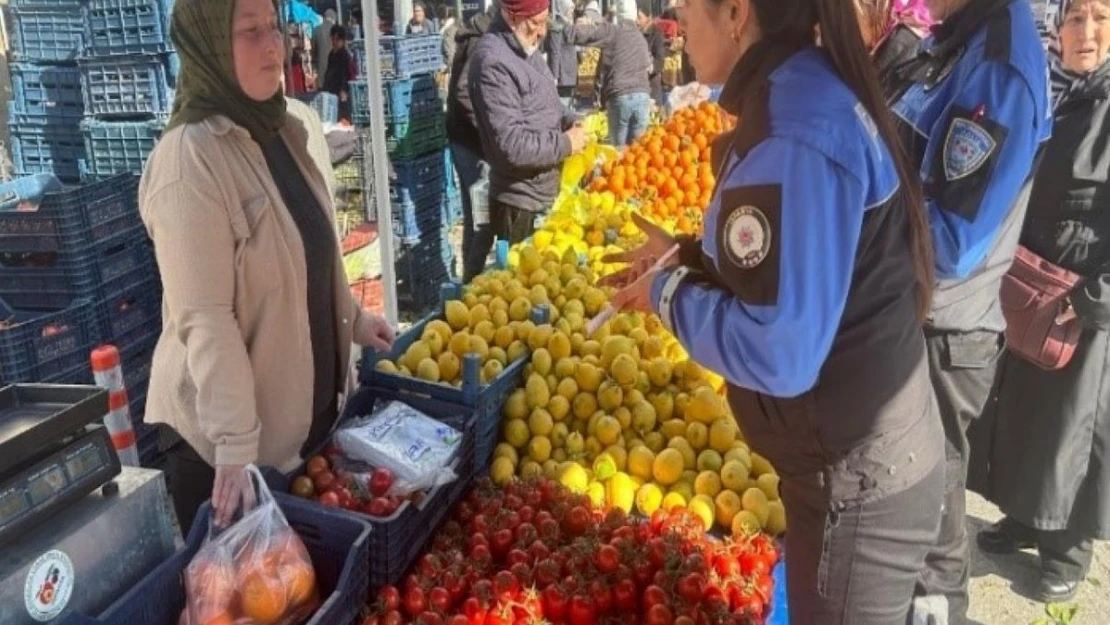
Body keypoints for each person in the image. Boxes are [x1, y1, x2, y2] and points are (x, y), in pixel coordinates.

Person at [603, 0, 946, 619]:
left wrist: (666, 294)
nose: (675, 23)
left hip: (859, 480)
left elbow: (780, 352)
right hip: (865, 458)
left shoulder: (795, 128)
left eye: (684, 7)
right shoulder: (802, 89)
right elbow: (798, 259)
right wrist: (685, 258)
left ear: (736, 13)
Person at [140, 0, 395, 535]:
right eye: (249, 31)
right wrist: (234, 444)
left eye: (274, 27)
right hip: (227, 457)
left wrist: (350, 316)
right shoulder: (190, 158)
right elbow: (205, 318)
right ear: (208, 45)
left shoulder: (285, 128)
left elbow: (307, 253)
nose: (273, 45)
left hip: (300, 432)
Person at [883, 0, 1053, 622]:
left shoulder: (998, 66)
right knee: (906, 514)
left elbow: (951, 239)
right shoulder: (958, 37)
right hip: (915, 319)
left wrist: (859, 217)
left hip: (944, 337)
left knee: (929, 525)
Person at [976, 0, 1110, 604]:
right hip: (1031, 286)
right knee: (1025, 409)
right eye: (1076, 19)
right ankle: (1026, 519)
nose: (1086, 32)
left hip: (1082, 304)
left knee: (1070, 427)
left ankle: (1069, 548)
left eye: (1102, 18)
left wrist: (1092, 299)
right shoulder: (1052, 91)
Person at [468, 0, 588, 247]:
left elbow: (547, 103)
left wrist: (572, 120)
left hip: (545, 197)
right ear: (512, 17)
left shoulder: (526, 48)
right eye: (536, 23)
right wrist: (566, 143)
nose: (543, 31)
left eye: (545, 21)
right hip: (521, 207)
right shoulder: (493, 62)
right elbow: (513, 146)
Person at [447, 4, 497, 281]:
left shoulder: (477, 33)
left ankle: (470, 279)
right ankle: (473, 283)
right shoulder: (482, 41)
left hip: (463, 137)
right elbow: (464, 91)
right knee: (483, 218)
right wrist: (489, 130)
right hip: (472, 142)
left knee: (476, 216)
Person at [546, 0, 581, 107]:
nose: (572, 11)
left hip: (568, 72)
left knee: (568, 102)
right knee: (564, 103)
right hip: (563, 74)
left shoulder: (567, 24)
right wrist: (555, 76)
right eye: (570, 9)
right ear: (563, 8)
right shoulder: (557, 27)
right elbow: (555, 52)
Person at [637, 1, 669, 107]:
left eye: (639, 17)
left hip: (652, 89)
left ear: (648, 17)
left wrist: (650, 67)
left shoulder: (656, 33)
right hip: (637, 89)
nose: (636, 21)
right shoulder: (635, 33)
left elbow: (660, 61)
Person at [322, 25, 356, 121]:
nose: (334, 42)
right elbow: (328, 72)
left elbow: (346, 74)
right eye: (333, 39)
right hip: (331, 89)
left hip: (340, 91)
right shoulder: (331, 54)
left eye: (337, 39)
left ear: (342, 40)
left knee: (342, 116)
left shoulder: (345, 55)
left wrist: (344, 90)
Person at [312, 8, 337, 82]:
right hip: (335, 67)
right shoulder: (336, 29)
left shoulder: (316, 30)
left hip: (321, 67)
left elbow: (313, 50)